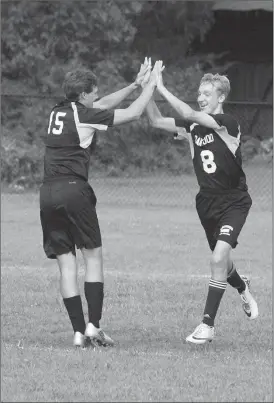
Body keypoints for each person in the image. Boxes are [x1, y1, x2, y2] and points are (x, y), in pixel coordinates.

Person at [40, 59, 161, 348]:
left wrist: (133, 84)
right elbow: (132, 114)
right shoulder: (84, 115)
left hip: (47, 194)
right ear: (83, 95)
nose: (97, 96)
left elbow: (102, 105)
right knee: (93, 258)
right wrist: (151, 85)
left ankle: (79, 333)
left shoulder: (59, 110)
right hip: (74, 191)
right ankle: (94, 326)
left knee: (66, 265)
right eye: (93, 92)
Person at [144, 60, 258, 344]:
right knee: (224, 262)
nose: (201, 97)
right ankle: (243, 287)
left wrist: (162, 87)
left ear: (221, 97)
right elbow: (156, 120)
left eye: (207, 93)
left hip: (234, 201)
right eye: (200, 92)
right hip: (206, 203)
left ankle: (207, 325)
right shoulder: (192, 127)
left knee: (217, 258)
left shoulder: (228, 124)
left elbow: (192, 113)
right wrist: (147, 87)